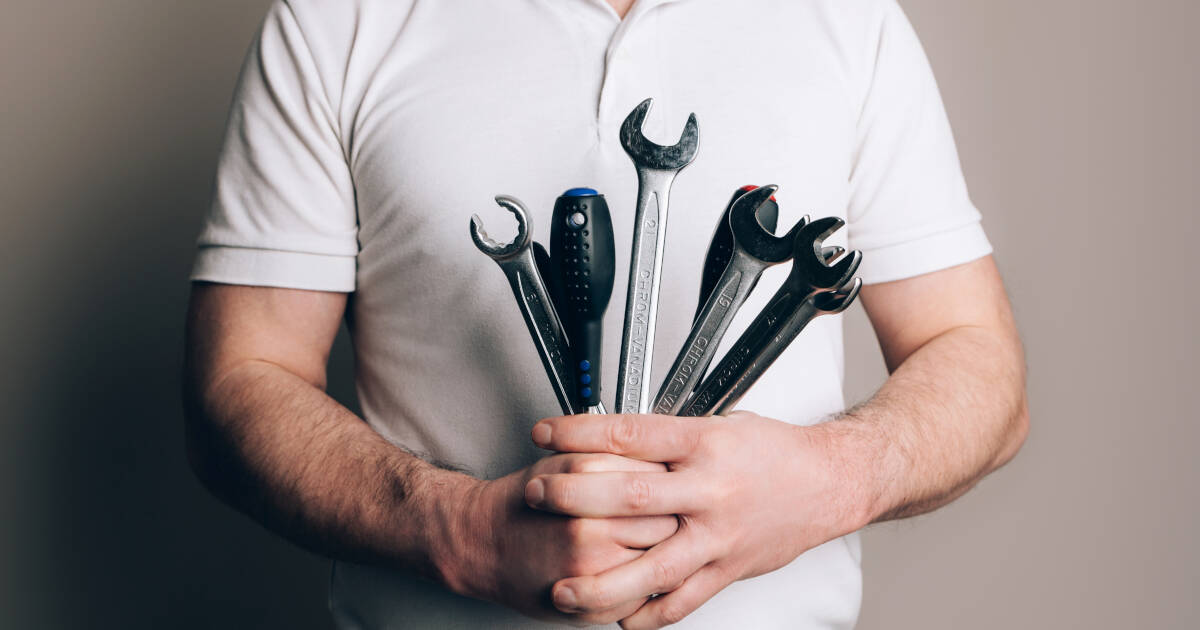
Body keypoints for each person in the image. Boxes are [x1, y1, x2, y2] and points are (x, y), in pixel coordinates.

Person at [182, 0, 1028, 628]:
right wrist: (460, 531)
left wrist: (829, 477)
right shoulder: (339, 19)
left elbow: (978, 361)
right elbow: (239, 381)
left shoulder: (845, 19)